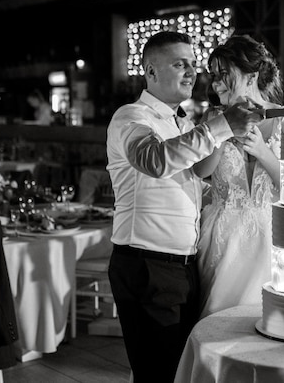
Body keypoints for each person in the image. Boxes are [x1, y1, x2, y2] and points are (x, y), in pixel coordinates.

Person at [106, 31, 259, 383]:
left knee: (181, 372)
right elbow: (155, 160)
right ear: (151, 71)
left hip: (184, 266)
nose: (192, 72)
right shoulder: (131, 117)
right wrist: (220, 127)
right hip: (146, 263)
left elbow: (197, 177)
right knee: (158, 373)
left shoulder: (185, 124)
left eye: (192, 64)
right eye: (179, 64)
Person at [193, 35, 284, 318]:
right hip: (223, 240)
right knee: (216, 320)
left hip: (273, 240)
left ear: (251, 75)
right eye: (213, 76)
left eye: (224, 74)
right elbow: (201, 170)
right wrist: (223, 128)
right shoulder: (213, 118)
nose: (216, 84)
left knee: (271, 322)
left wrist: (264, 153)